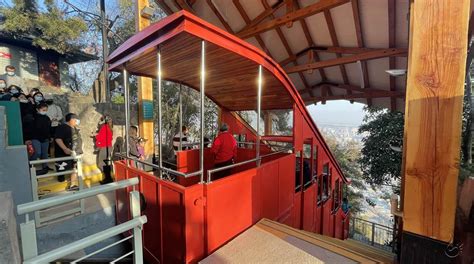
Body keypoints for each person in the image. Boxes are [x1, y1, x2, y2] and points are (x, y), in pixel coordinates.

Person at [54, 113, 83, 190]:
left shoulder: (74, 128)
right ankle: (61, 178)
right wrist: (65, 148)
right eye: (76, 120)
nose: (77, 122)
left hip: (75, 153)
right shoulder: (62, 127)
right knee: (62, 168)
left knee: (75, 168)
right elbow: (58, 139)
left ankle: (73, 185)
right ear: (71, 120)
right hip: (65, 154)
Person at [30, 103, 51, 174]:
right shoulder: (33, 117)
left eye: (46, 110)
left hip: (45, 139)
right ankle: (30, 165)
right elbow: (30, 129)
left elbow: (49, 128)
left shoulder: (47, 118)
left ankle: (45, 166)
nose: (45, 111)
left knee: (45, 154)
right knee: (37, 153)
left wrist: (49, 137)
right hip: (36, 138)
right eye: (43, 110)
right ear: (37, 110)